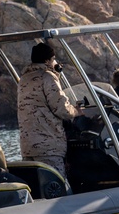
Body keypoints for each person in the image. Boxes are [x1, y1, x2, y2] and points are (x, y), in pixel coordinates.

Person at [17, 42, 81, 176]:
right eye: (53, 59)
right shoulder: (47, 76)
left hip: (28, 147)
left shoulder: (24, 79)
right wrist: (76, 111)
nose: (55, 62)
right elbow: (62, 109)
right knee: (56, 184)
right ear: (47, 61)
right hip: (48, 147)